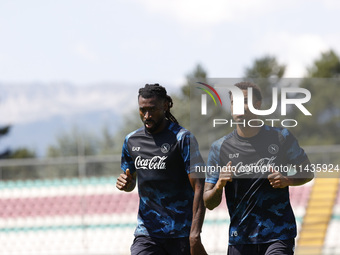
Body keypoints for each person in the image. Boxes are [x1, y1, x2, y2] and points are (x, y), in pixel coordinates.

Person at [203, 82, 314, 255]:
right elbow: (208, 202)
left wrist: (288, 180)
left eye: (245, 101)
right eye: (234, 102)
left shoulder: (281, 137)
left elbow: (308, 172)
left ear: (258, 104)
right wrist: (219, 185)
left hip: (278, 234)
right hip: (240, 238)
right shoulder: (220, 148)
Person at [116, 84, 207, 255]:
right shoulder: (131, 141)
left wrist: (195, 234)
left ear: (165, 106)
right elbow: (130, 182)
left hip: (181, 233)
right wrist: (126, 183)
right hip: (148, 233)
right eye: (142, 110)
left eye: (152, 109)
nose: (147, 116)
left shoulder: (182, 139)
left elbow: (199, 187)